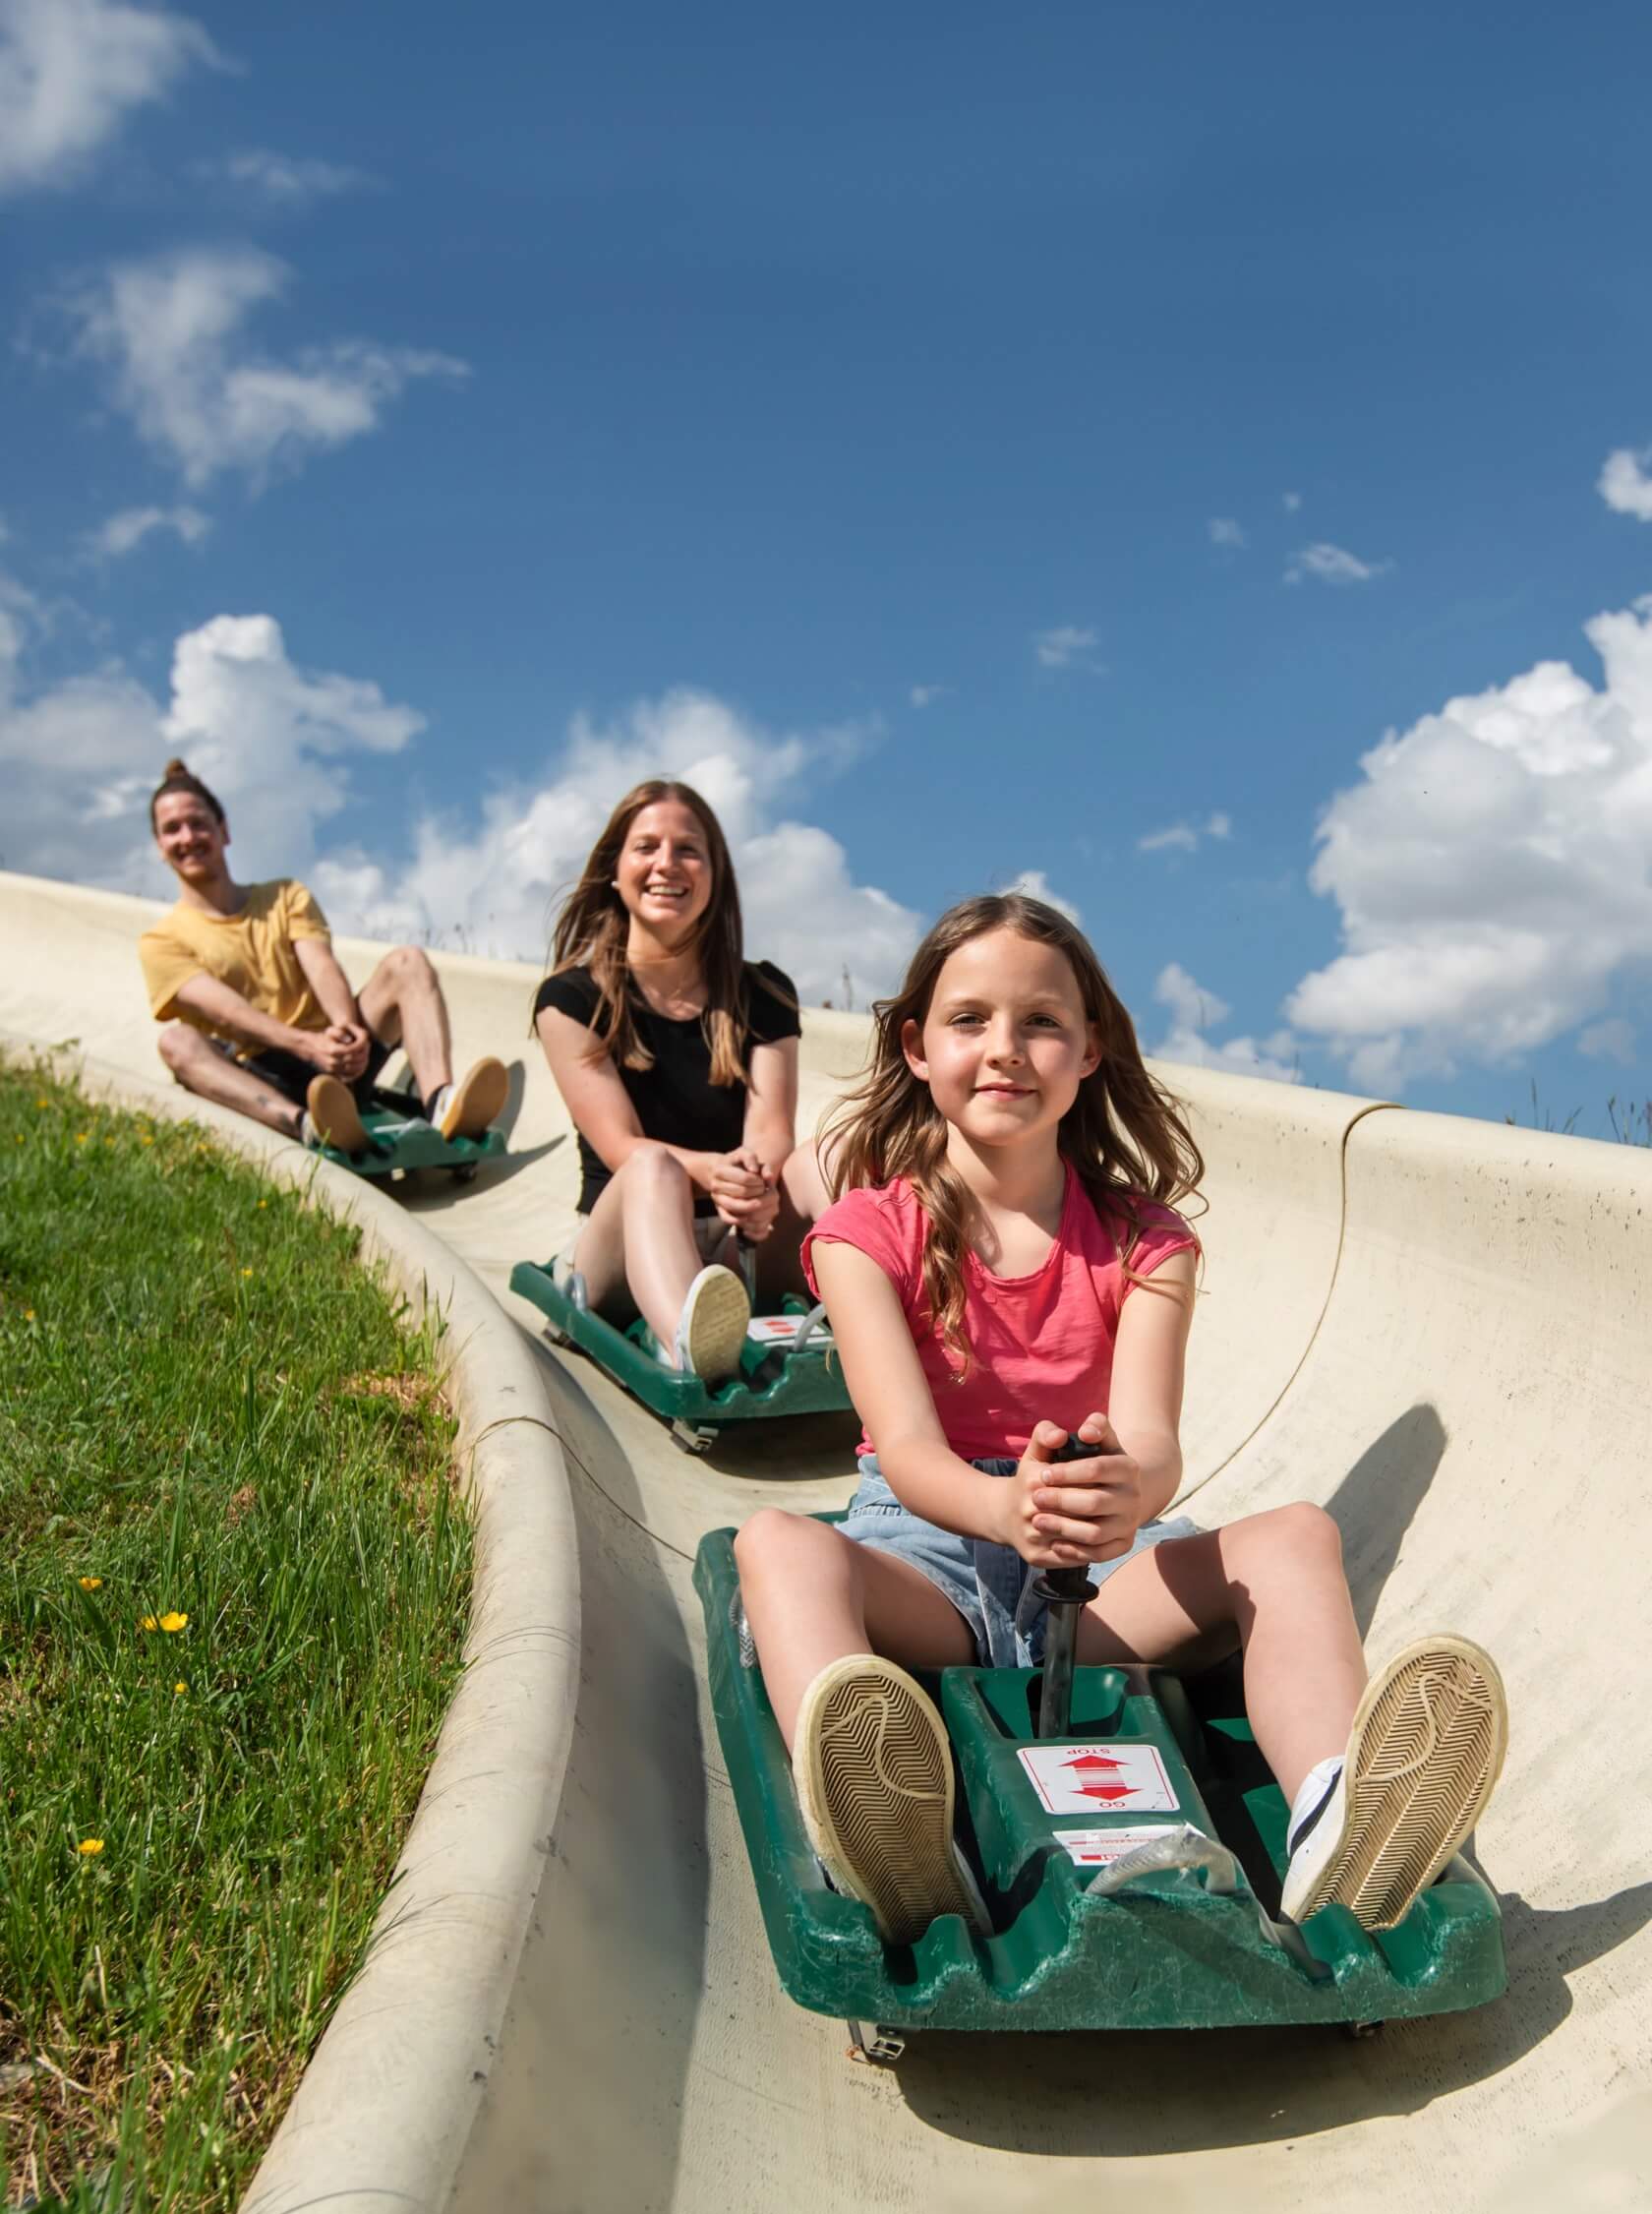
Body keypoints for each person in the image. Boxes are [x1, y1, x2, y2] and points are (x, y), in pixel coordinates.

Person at [735, 892, 1507, 1947]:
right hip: (932, 1560)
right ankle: (892, 1839)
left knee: (1295, 1539)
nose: (1006, 1050)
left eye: (1042, 1022)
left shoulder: (1147, 1243)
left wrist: (1117, 1497)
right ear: (916, 1047)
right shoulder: (866, 1233)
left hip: (1098, 1576)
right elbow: (907, 1450)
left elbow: (1152, 1445)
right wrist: (1003, 1507)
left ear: (1090, 1050)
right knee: (776, 1547)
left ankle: (1338, 1816)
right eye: (970, 1021)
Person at [534, 778, 822, 1386]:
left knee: (828, 1154)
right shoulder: (571, 999)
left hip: (732, 1242)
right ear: (615, 869)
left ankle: (897, 1321)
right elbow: (620, 1147)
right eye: (646, 847)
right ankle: (691, 1345)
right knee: (652, 1168)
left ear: (715, 876)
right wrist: (712, 1172)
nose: (667, 863)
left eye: (689, 849)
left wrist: (752, 1178)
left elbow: (772, 1131)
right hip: (618, 1247)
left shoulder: (763, 994)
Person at [139, 759, 507, 1155]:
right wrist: (306, 1046)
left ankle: (441, 1104)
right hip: (263, 1071)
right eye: (172, 829)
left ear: (223, 829)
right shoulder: (162, 941)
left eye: (197, 823)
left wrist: (346, 1033)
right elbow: (230, 1013)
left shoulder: (283, 896)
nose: (188, 837)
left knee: (407, 962)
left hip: (336, 1053)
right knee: (176, 1042)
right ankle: (307, 1125)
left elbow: (320, 964)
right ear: (160, 846)